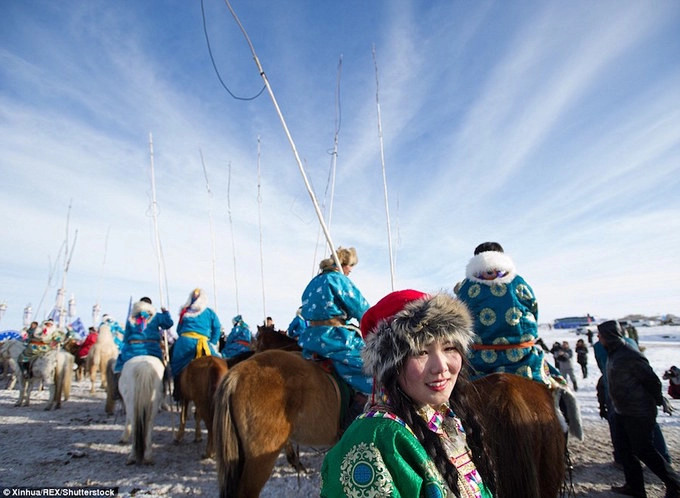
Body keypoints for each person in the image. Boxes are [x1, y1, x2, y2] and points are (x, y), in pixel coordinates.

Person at [321, 290, 493, 498]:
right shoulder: (375, 438)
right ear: (390, 365)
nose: (441, 367)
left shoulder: (446, 418)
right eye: (421, 351)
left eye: (449, 348)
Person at [453, 242, 558, 386]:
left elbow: (458, 321)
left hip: (478, 362)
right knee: (556, 384)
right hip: (522, 358)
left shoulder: (466, 287)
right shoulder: (518, 282)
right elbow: (533, 310)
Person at [597, 320, 679, 498]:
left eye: (600, 335)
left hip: (638, 412)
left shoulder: (629, 354)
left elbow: (651, 379)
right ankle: (635, 487)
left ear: (609, 336)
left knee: (645, 451)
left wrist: (659, 399)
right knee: (624, 450)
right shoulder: (613, 352)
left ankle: (675, 484)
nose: (598, 338)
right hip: (621, 410)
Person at [299, 246, 371, 396]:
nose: (351, 270)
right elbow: (362, 310)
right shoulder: (339, 280)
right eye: (351, 265)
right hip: (335, 339)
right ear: (343, 264)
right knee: (373, 368)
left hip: (310, 339)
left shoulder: (312, 283)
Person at [170, 288, 221, 401]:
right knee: (219, 362)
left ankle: (178, 391)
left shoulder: (185, 312)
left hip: (185, 342)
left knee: (176, 364)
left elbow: (179, 330)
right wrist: (212, 342)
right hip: (203, 343)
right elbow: (217, 327)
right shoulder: (209, 312)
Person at [113, 297, 174, 375]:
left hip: (133, 350)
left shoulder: (132, 317)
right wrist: (165, 313)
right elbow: (168, 324)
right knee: (164, 370)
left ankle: (116, 382)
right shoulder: (156, 316)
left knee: (119, 366)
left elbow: (126, 338)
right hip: (152, 349)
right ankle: (167, 384)